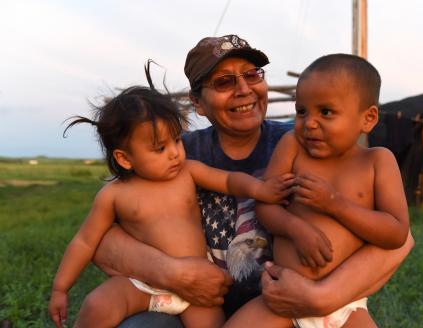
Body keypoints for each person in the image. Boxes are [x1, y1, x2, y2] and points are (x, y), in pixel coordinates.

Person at [91, 35, 414, 327]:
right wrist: (173, 273)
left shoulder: (309, 144)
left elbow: (400, 239)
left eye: (252, 74)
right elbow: (102, 241)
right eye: (224, 81)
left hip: (287, 300)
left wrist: (321, 297)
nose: (244, 89)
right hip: (199, 308)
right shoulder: (174, 156)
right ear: (198, 103)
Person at [47, 86, 295, 328]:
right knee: (97, 305)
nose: (175, 153)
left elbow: (229, 180)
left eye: (177, 140)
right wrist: (61, 288)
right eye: (160, 148)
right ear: (124, 158)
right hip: (141, 283)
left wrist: (259, 189)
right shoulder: (113, 195)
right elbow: (85, 242)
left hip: (197, 289)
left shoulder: (188, 172)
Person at [224, 53, 410, 328]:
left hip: (345, 306)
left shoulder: (377, 161)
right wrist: (295, 228)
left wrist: (335, 204)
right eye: (302, 111)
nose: (309, 122)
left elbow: (396, 233)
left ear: (368, 118)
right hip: (280, 298)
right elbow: (266, 204)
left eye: (325, 112)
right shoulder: (293, 146)